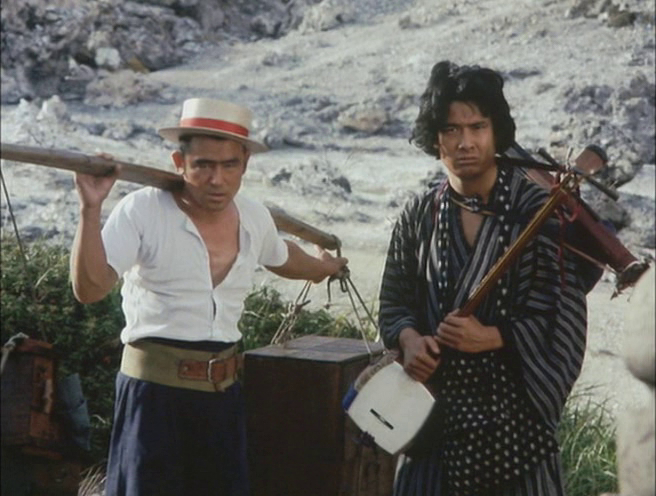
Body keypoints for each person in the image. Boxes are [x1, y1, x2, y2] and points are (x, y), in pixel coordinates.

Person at [70, 98, 348, 496]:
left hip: (222, 401)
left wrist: (324, 267)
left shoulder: (254, 217)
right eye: (203, 165)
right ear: (179, 162)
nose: (217, 179)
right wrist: (90, 209)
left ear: (244, 164)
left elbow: (285, 256)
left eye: (229, 165)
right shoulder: (141, 211)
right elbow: (90, 288)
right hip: (153, 399)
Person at [378, 61, 602, 495]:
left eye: (477, 127)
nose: (465, 142)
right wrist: (409, 339)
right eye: (451, 130)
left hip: (515, 434)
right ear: (435, 139)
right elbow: (394, 300)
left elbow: (560, 314)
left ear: (496, 132)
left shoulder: (537, 214)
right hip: (433, 426)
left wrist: (494, 336)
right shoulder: (420, 215)